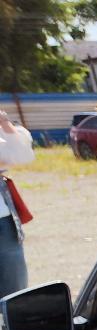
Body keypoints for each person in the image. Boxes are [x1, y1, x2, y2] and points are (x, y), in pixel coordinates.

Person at [0, 109, 32, 297]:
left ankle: (11, 325)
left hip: (3, 221)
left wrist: (4, 122)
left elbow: (22, 156)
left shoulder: (6, 130)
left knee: (15, 290)